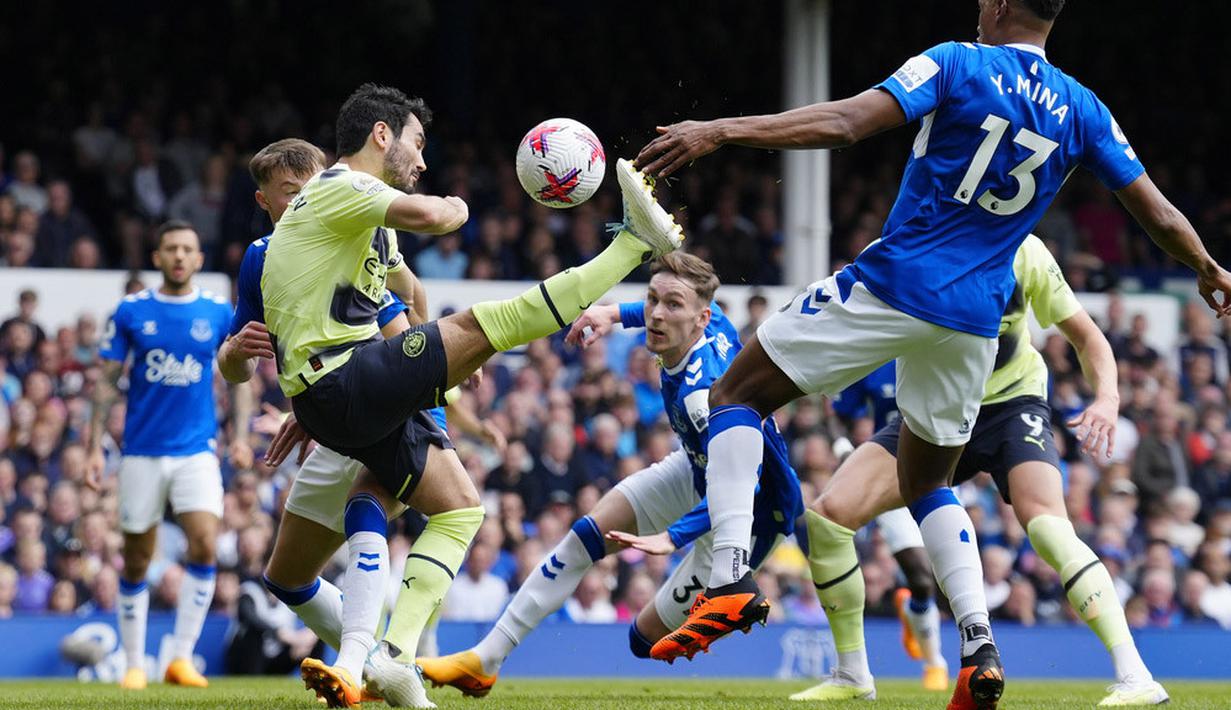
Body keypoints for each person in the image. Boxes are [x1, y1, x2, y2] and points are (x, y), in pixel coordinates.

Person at [634, 2, 1231, 707]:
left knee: (734, 395)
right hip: (972, 323)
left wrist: (722, 130)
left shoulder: (955, 61)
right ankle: (976, 651)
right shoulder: (1083, 108)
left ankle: (730, 579)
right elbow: (1157, 213)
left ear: (1003, 4)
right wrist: (1207, 267)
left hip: (896, 283)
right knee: (924, 480)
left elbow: (848, 123)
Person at [259, 83, 682, 708]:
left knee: (461, 507)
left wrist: (439, 367)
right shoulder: (341, 188)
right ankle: (632, 246)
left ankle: (391, 657)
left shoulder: (355, 222)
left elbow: (387, 303)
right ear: (382, 135)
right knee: (490, 323)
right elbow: (435, 215)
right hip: (342, 381)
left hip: (343, 392)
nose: (421, 161)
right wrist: (463, 203)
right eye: (417, 143)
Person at [795, 235, 1167, 706]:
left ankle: (1136, 675)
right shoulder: (904, 243)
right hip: (936, 407)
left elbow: (1087, 335)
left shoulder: (1023, 249)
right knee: (828, 517)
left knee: (1049, 526)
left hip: (1011, 405)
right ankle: (852, 674)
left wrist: (1108, 398)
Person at [417, 252, 802, 696]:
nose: (656, 314)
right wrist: (612, 313)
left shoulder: (703, 394)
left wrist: (674, 536)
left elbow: (744, 487)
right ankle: (485, 660)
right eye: (652, 299)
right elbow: (662, 308)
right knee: (584, 537)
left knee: (643, 640)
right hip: (695, 467)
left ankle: (732, 604)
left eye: (671, 305)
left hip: (750, 514)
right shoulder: (709, 322)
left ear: (699, 318)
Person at [84, 220, 252, 691]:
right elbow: (105, 381)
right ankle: (135, 661)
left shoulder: (219, 312)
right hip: (140, 452)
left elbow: (240, 376)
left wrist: (239, 436)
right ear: (157, 257)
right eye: (171, 249)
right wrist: (95, 447)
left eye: (188, 249)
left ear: (199, 260)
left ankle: (180, 657)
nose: (179, 256)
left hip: (196, 450)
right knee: (136, 559)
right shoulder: (132, 311)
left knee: (204, 541)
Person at [831, 362, 949, 693]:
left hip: (938, 475)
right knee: (921, 578)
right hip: (890, 477)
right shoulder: (876, 360)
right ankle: (935, 663)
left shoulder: (939, 351)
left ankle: (914, 614)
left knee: (942, 574)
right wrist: (842, 447)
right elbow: (838, 413)